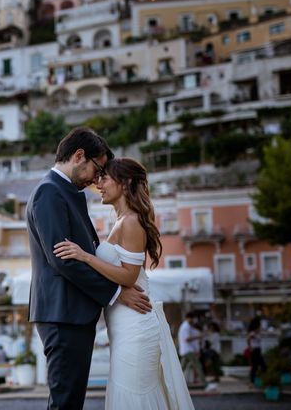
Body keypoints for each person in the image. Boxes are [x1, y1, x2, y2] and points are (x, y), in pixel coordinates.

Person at [53, 157, 194, 409]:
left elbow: (129, 276)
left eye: (104, 178)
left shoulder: (132, 221)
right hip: (124, 325)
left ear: (125, 183)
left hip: (136, 324)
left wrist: (85, 257)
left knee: (132, 397)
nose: (99, 185)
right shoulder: (122, 221)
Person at [27, 129, 152, 410]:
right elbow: (63, 259)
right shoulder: (49, 192)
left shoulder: (67, 193)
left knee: (71, 401)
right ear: (79, 156)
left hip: (72, 314)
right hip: (62, 315)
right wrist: (117, 293)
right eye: (97, 169)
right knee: (65, 403)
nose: (97, 179)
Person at [178, 312, 205, 387]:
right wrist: (198, 336)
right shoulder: (186, 326)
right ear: (189, 318)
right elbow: (187, 339)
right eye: (193, 318)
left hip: (185, 350)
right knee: (198, 366)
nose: (194, 320)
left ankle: (176, 384)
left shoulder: (185, 326)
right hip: (188, 350)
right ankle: (205, 384)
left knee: (181, 369)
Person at [247, 316, 267, 385]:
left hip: (258, 350)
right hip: (255, 350)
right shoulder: (253, 333)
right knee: (260, 366)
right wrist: (250, 347)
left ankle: (254, 381)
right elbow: (248, 339)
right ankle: (253, 381)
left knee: (257, 366)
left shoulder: (257, 332)